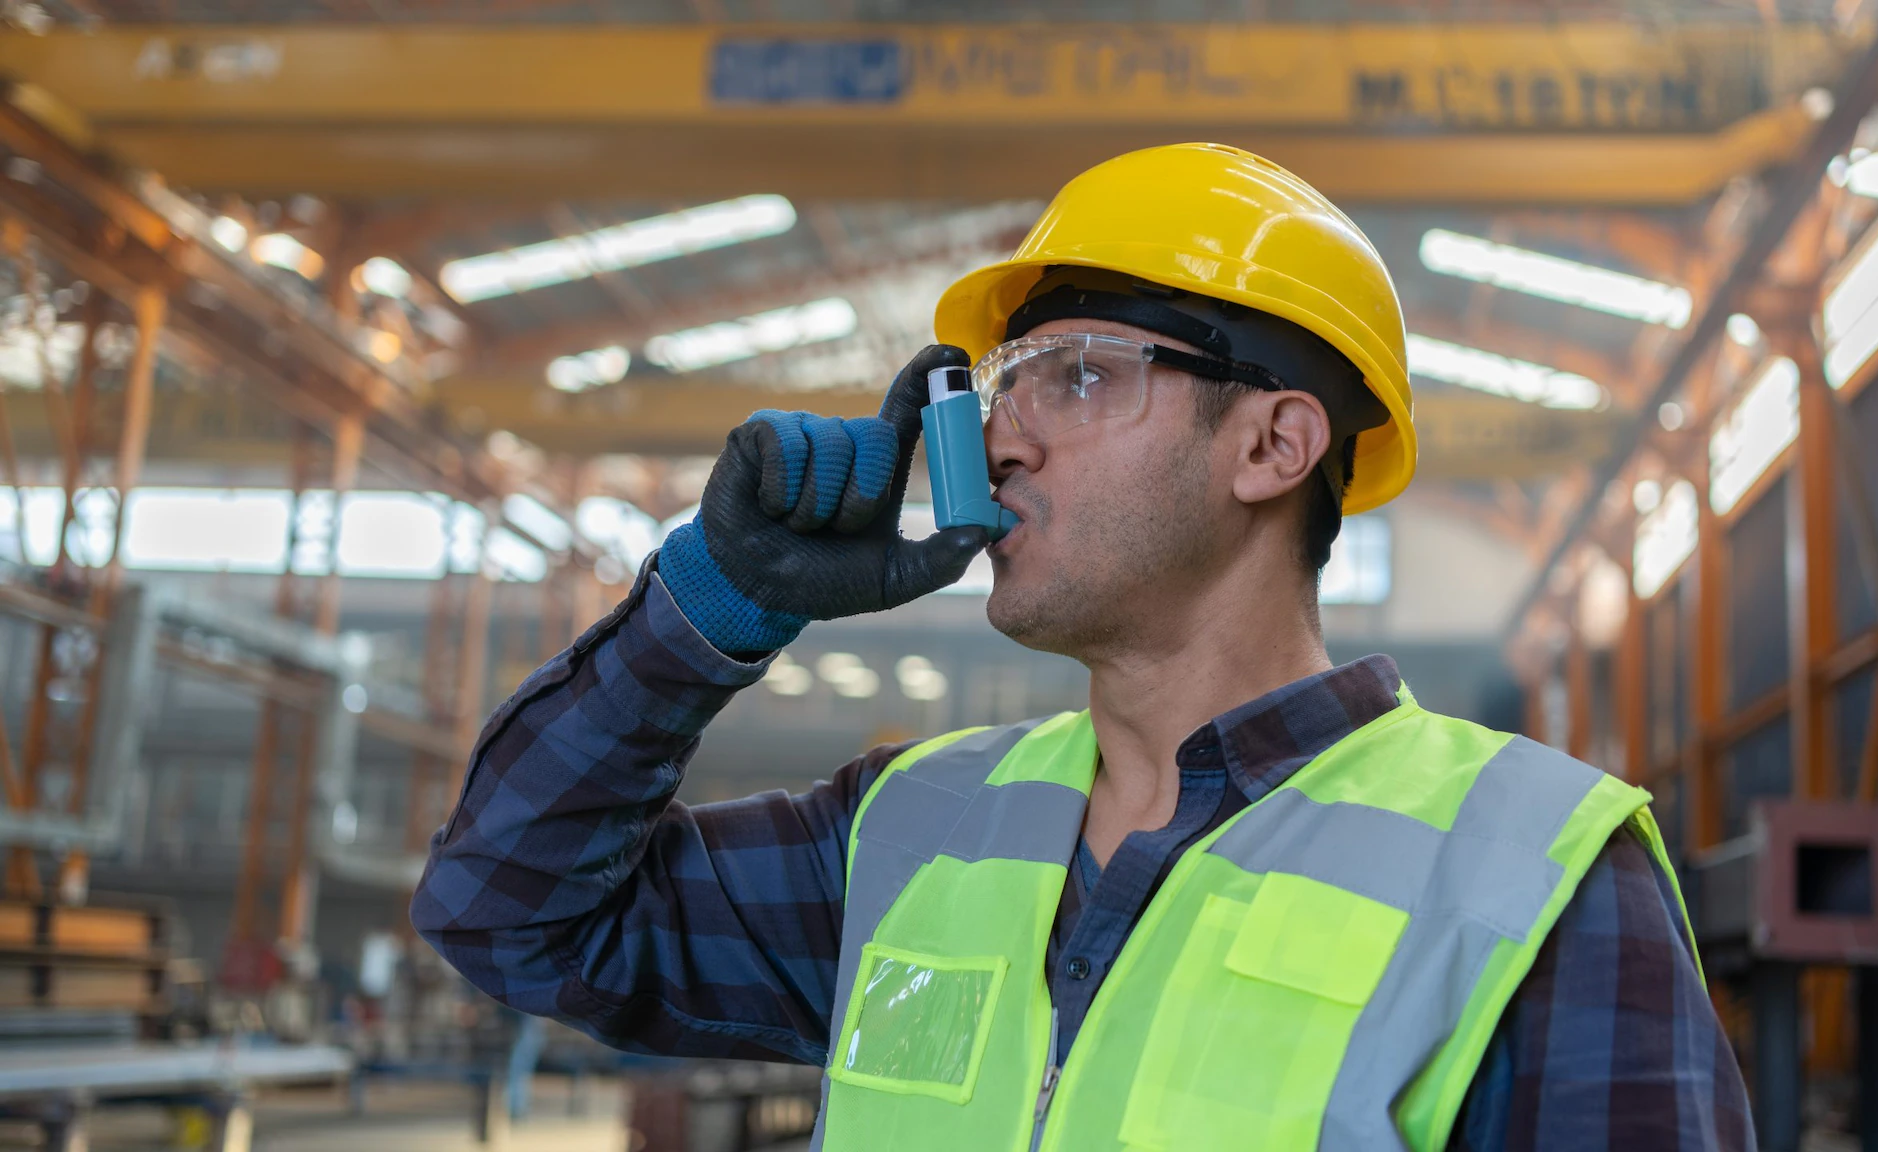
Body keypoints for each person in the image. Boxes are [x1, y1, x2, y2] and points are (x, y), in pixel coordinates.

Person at [413, 143, 1755, 1150]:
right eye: (1007, 385)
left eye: (1086, 376)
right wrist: (704, 609)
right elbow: (506, 910)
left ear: (1273, 445)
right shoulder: (914, 830)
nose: (1001, 441)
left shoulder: (1529, 881)